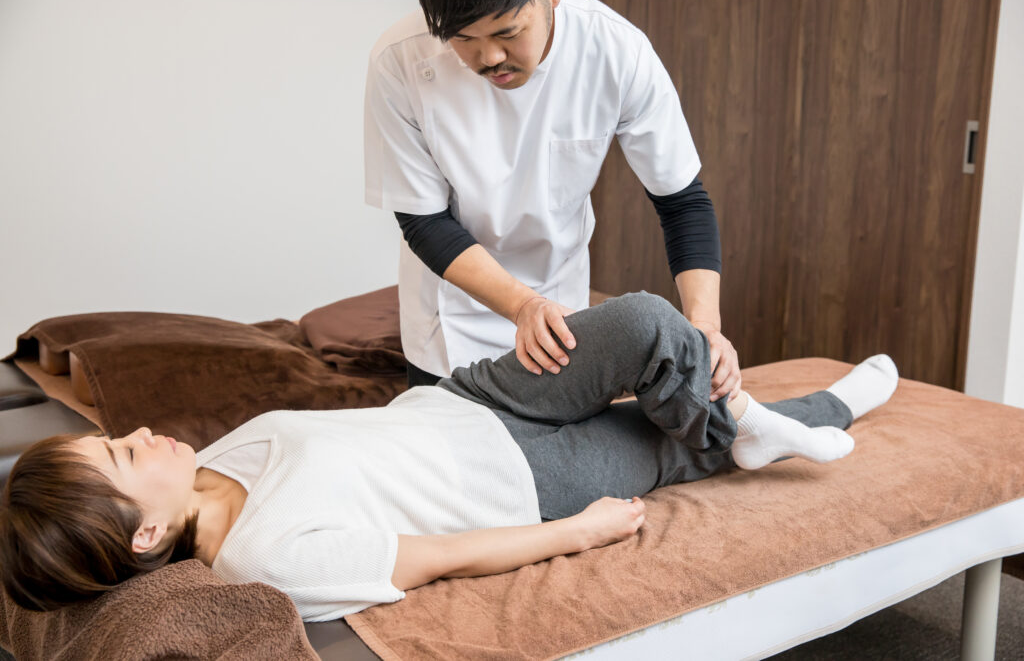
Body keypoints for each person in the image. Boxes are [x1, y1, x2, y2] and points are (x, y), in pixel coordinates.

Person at [0, 294, 898, 621]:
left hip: (472, 400)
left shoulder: (212, 461)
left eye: (113, 435)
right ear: (147, 533)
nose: (138, 434)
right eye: (122, 455)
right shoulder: (265, 560)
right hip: (534, 482)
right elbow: (437, 555)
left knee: (644, 322)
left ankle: (743, 418)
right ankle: (813, 410)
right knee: (674, 445)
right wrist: (575, 533)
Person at [365, 0, 741, 399]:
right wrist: (523, 306)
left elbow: (681, 202)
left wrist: (705, 328)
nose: (490, 57)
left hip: (562, 315)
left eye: (508, 32)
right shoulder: (399, 59)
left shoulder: (615, 49)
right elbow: (424, 222)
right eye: (463, 38)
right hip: (450, 325)